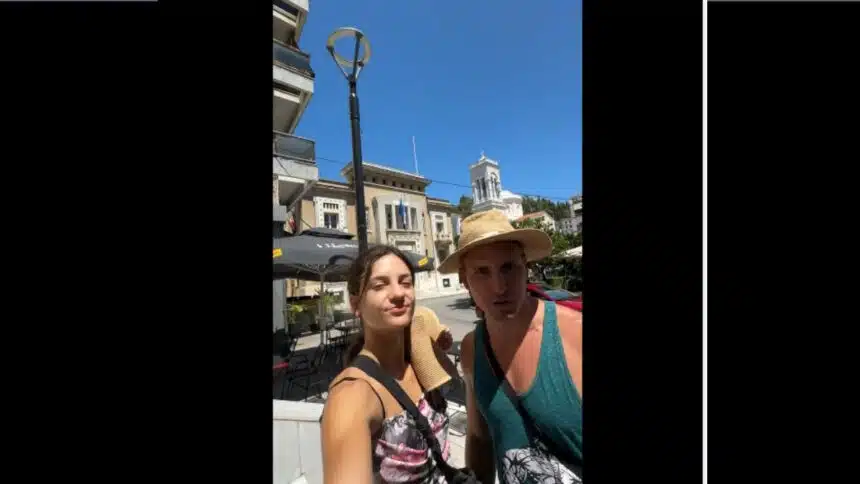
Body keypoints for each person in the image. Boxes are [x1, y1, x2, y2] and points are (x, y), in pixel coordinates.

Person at [438, 210, 583, 483]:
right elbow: (479, 436)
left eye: (508, 267)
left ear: (525, 266)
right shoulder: (471, 348)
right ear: (463, 279)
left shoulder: (575, 333)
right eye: (482, 271)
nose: (499, 286)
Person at [321, 245, 458, 484]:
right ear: (355, 304)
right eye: (379, 285)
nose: (398, 293)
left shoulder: (420, 362)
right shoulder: (350, 397)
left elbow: (458, 384)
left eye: (406, 283)